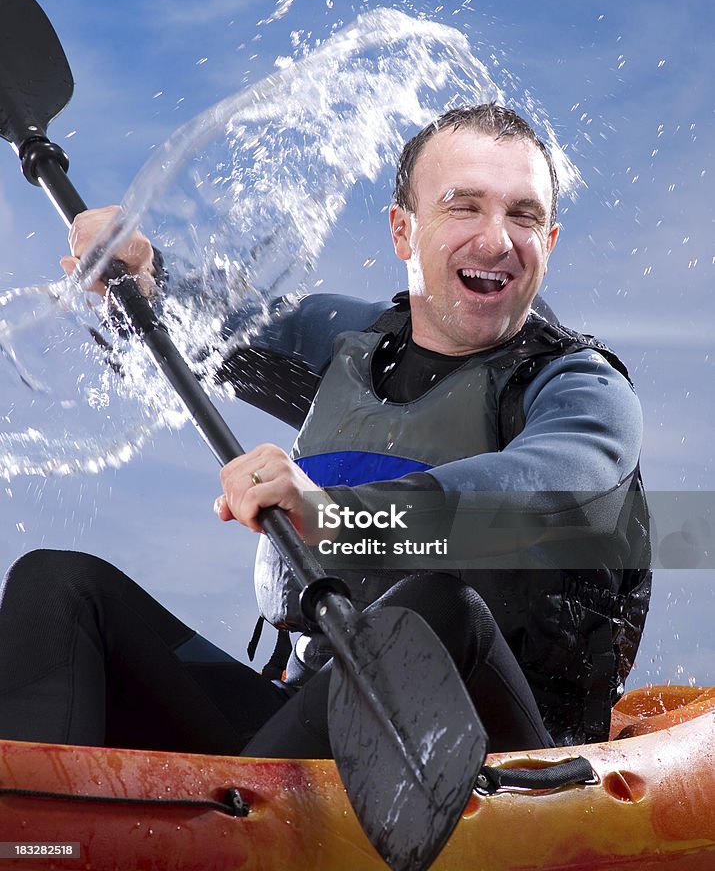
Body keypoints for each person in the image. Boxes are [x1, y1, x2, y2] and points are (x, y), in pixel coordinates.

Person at [0, 103, 649, 757]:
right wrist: (141, 274)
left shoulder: (583, 392)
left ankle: (238, 839)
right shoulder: (348, 341)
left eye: (522, 215)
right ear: (402, 230)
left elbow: (541, 498)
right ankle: (32, 832)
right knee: (59, 586)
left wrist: (339, 518)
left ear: (549, 242)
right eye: (463, 207)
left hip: (498, 750)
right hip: (316, 720)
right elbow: (204, 329)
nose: (495, 239)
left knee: (433, 607)